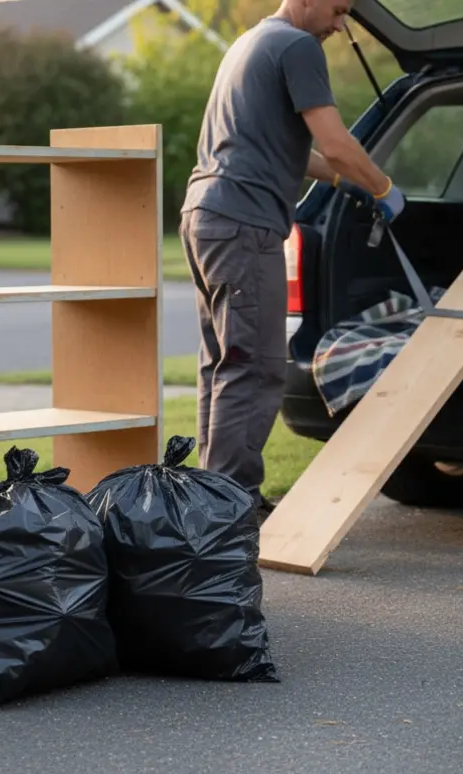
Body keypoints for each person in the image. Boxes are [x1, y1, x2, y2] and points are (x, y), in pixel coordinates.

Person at [179, 0, 404, 522]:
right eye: (338, 9)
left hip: (205, 216)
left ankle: (212, 503)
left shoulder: (250, 43)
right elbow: (337, 142)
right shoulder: (298, 47)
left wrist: (347, 182)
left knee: (221, 364)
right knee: (254, 369)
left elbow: (292, 152)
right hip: (243, 223)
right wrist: (384, 187)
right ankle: (233, 508)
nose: (341, 24)